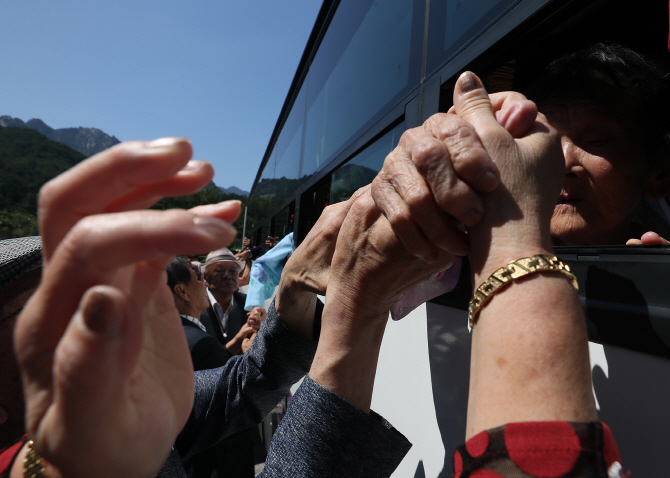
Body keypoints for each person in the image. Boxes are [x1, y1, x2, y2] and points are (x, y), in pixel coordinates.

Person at [166, 256, 231, 371]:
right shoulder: (203, 344)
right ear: (182, 291)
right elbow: (230, 386)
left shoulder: (153, 332)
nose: (204, 283)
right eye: (197, 279)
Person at [200, 247, 250, 355]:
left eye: (233, 271)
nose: (227, 276)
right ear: (205, 277)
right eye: (219, 271)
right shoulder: (194, 305)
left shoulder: (248, 305)